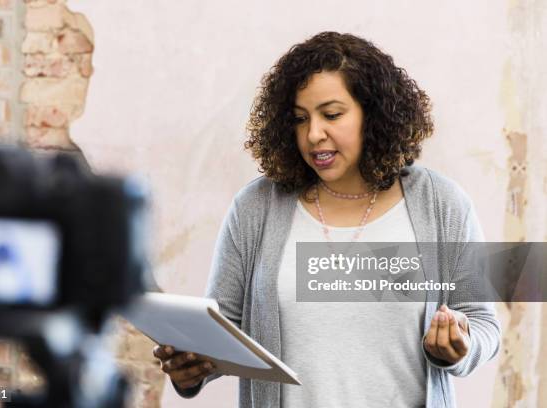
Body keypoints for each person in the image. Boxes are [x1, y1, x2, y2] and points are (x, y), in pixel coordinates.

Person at [153, 32, 501, 407]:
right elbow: (223, 332)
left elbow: (482, 324)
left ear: (375, 114)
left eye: (332, 115)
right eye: (300, 119)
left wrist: (459, 347)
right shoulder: (256, 208)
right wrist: (190, 369)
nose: (313, 134)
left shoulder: (442, 204)